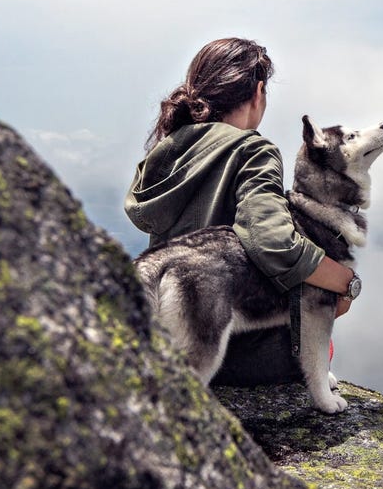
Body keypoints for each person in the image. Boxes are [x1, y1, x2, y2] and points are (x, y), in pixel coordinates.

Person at [124, 38, 357, 384]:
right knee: (320, 340)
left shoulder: (167, 150)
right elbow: (272, 240)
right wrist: (345, 282)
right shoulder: (252, 150)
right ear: (258, 91)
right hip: (236, 353)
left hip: (170, 341)